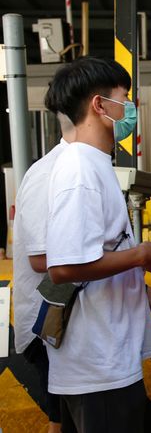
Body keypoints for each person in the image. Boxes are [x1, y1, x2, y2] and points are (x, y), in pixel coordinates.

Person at [43, 56, 151, 432]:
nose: (130, 107)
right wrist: (139, 255)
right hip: (98, 367)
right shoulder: (79, 169)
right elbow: (63, 266)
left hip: (108, 358)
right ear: (100, 105)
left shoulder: (94, 163)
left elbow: (97, 252)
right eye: (124, 98)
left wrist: (143, 295)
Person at [12, 113, 76, 433]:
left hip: (73, 322)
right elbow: (41, 260)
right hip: (49, 327)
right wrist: (128, 258)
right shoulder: (48, 173)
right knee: (62, 419)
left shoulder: (84, 167)